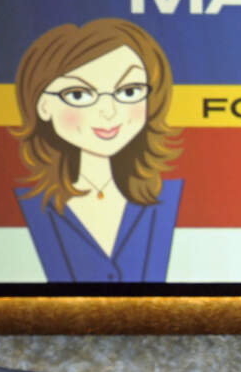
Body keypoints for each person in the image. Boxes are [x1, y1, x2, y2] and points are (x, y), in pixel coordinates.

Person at [13, 18, 183, 282]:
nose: (108, 111)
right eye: (79, 95)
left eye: (129, 91)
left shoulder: (175, 199)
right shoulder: (20, 206)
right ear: (43, 105)